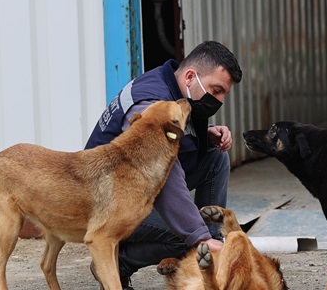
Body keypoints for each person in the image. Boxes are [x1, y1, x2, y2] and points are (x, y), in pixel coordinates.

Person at [85, 41, 243, 290]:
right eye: (216, 90)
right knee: (186, 235)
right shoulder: (148, 101)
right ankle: (117, 264)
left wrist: (208, 134)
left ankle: (210, 250)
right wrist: (196, 235)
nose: (219, 100)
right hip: (106, 203)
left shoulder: (173, 86)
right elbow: (168, 179)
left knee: (216, 159)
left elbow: (174, 146)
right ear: (191, 76)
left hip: (136, 189)